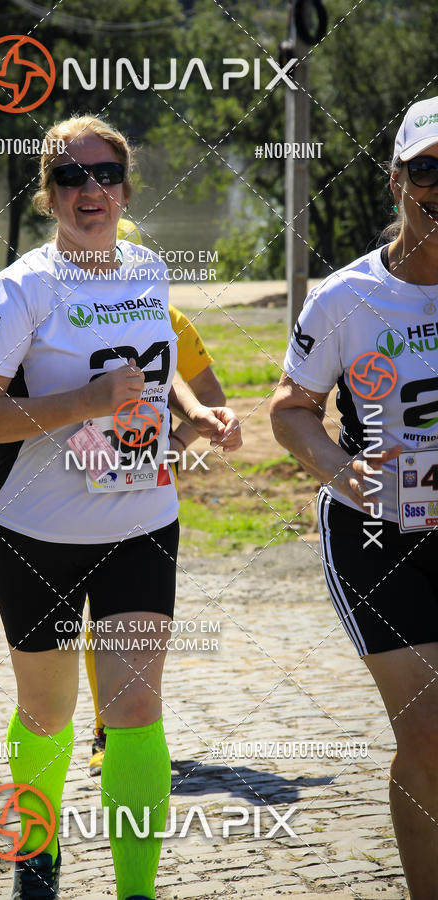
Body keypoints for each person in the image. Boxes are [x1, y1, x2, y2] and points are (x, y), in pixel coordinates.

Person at [0, 114, 242, 900]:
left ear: (125, 189)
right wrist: (84, 401)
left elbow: (155, 367)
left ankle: (136, 893)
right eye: (71, 176)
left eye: (106, 174)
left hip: (140, 521)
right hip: (36, 529)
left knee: (136, 708)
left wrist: (196, 415)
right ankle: (37, 852)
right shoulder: (24, 287)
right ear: (48, 195)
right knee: (48, 714)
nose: (92, 189)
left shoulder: (148, 269)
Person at [270, 97, 438, 898]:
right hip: (380, 537)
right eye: (428, 169)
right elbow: (290, 410)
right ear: (397, 180)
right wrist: (343, 472)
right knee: (430, 737)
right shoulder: (345, 299)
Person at [85, 223, 227, 776]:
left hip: (142, 491)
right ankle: (99, 724)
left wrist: (174, 447)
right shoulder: (60, 314)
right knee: (84, 623)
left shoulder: (171, 320)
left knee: (121, 621)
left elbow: (210, 395)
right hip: (67, 490)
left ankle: (116, 730)